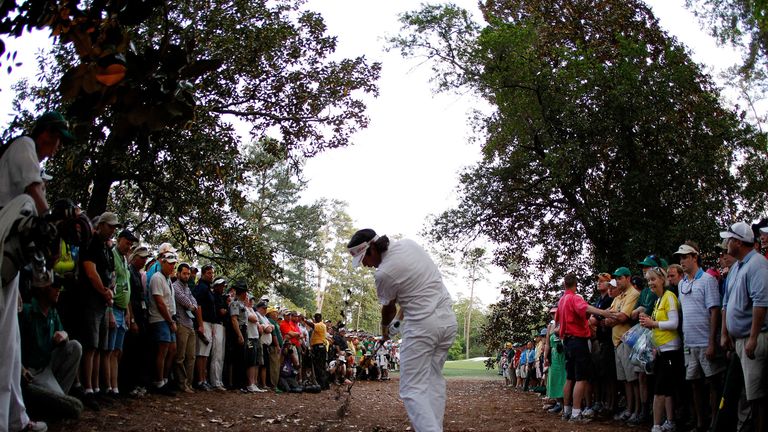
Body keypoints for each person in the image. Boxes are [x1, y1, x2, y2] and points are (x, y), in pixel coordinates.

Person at [348, 228, 457, 432]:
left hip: (423, 327)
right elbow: (413, 293)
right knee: (433, 380)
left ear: (372, 248)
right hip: (447, 321)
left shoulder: (384, 273)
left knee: (412, 389)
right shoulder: (409, 245)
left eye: (364, 258)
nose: (365, 264)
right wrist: (397, 322)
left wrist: (385, 330)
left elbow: (388, 308)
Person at [719, 222, 768, 432]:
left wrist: (753, 338)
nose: (726, 243)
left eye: (729, 239)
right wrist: (724, 333)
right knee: (740, 393)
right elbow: (726, 303)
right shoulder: (736, 267)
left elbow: (761, 302)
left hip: (753, 339)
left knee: (756, 396)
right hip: (738, 340)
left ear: (738, 242)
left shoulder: (757, 264)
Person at [674, 242, 724, 432]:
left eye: (685, 257)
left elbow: (714, 311)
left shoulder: (708, 280)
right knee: (694, 383)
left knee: (713, 382)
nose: (682, 261)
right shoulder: (682, 284)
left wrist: (712, 342)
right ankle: (700, 422)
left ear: (695, 257)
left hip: (705, 341)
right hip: (690, 342)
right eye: (680, 257)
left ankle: (715, 423)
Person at [19, 275, 84, 421]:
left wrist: (64, 335)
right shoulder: (27, 312)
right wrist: (21, 368)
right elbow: (13, 344)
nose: (58, 290)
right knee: (66, 407)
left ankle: (57, 397)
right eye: (55, 287)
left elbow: (63, 335)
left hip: (47, 366)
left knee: (75, 347)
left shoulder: (53, 313)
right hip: (31, 371)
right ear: (43, 288)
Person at [554, 273, 613, 422]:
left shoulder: (561, 301)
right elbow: (586, 308)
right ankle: (576, 413)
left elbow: (557, 323)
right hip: (578, 341)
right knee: (581, 378)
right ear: (575, 284)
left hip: (567, 341)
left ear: (564, 285)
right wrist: (604, 312)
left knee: (570, 377)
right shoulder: (574, 298)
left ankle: (566, 411)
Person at [639, 266, 684, 432]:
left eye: (653, 279)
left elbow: (674, 323)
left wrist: (653, 323)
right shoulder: (658, 300)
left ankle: (657, 425)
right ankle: (669, 422)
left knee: (659, 389)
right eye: (648, 280)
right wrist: (650, 324)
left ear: (662, 280)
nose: (650, 283)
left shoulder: (669, 297)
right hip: (662, 350)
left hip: (671, 350)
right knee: (666, 389)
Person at [603, 266, 641, 424]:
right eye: (616, 278)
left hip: (628, 340)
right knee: (625, 380)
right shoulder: (617, 297)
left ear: (628, 278)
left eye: (620, 278)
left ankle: (637, 411)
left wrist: (612, 318)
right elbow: (606, 318)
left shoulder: (633, 294)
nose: (617, 281)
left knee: (633, 379)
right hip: (617, 341)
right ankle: (630, 409)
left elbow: (624, 317)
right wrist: (612, 318)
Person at [146, 251, 178, 396]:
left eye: (174, 264)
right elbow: (160, 302)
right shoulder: (157, 278)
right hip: (160, 319)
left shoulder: (168, 279)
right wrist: (170, 321)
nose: (172, 267)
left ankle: (164, 379)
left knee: (172, 350)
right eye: (170, 264)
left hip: (169, 319)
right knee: (163, 350)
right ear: (162, 262)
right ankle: (158, 381)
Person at [172, 263, 201, 393]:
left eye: (188, 274)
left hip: (190, 324)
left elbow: (194, 302)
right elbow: (186, 302)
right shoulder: (175, 286)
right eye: (184, 273)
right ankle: (181, 383)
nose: (187, 276)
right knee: (180, 357)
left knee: (191, 357)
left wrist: (192, 306)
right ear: (178, 273)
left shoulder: (188, 288)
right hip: (181, 323)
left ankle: (189, 383)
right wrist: (192, 306)